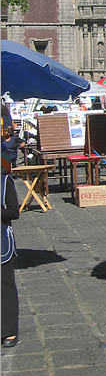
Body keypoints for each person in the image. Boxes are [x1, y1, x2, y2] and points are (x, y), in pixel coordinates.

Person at [1, 143, 20, 348]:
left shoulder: (5, 182)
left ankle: (9, 331)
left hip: (2, 242)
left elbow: (14, 212)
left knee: (5, 285)